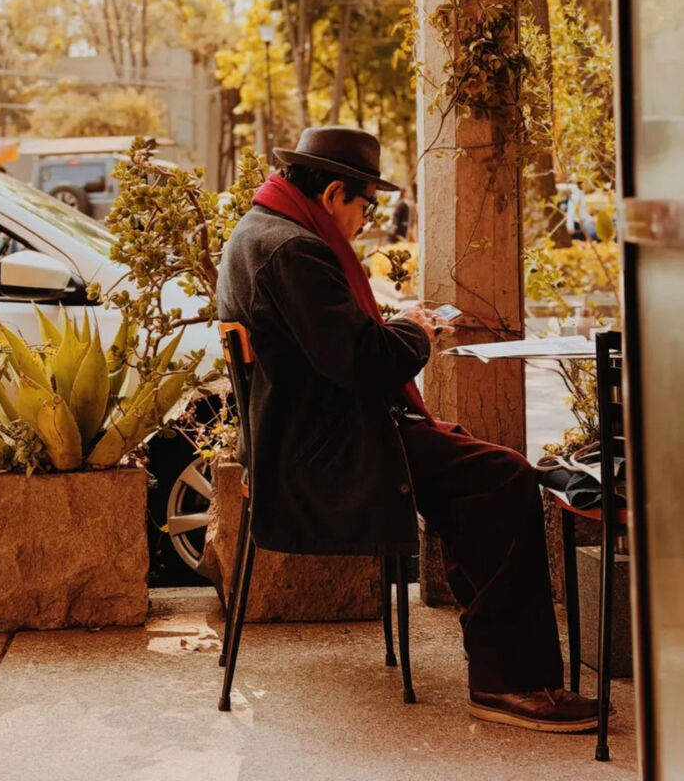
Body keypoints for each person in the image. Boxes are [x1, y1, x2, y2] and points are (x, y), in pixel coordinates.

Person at [217, 126, 599, 733]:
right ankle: (511, 682)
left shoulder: (258, 230)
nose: (365, 222)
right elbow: (365, 363)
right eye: (366, 207)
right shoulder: (295, 250)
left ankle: (499, 655)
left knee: (473, 463)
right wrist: (415, 331)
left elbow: (336, 350)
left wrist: (396, 325)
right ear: (334, 193)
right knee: (504, 476)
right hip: (327, 451)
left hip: (306, 435)